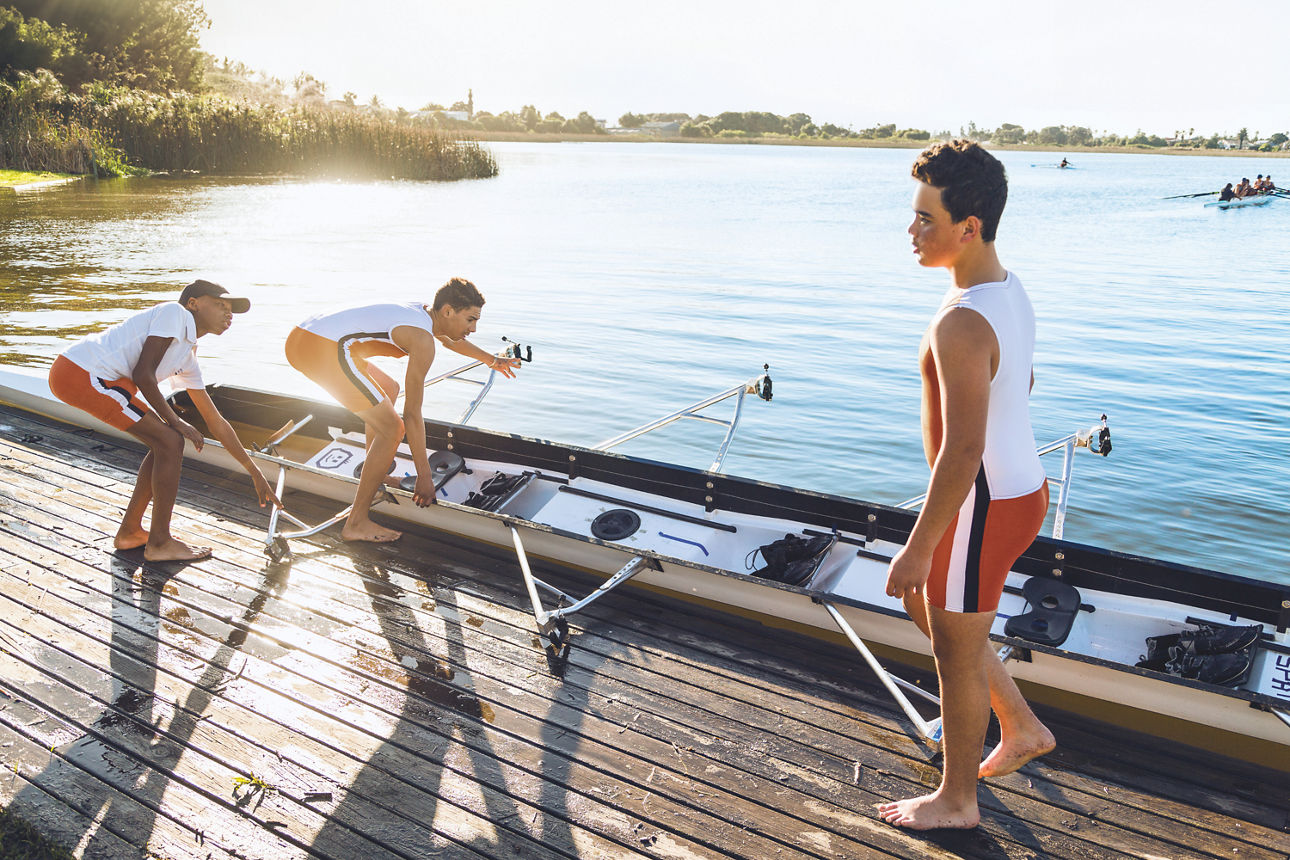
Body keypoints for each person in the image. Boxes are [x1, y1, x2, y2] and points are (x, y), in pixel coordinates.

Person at [877, 140, 1053, 831]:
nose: (912, 232)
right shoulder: (1004, 289)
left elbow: (964, 448)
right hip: (1020, 489)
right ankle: (1021, 726)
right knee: (941, 617)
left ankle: (956, 801)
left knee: (951, 644)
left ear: (968, 226)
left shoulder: (959, 321)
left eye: (926, 219)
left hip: (983, 501)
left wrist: (919, 544)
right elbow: (1022, 382)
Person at [47, 280, 280, 562]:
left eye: (231, 310)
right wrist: (176, 422)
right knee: (170, 439)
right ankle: (159, 543)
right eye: (220, 305)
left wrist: (253, 471)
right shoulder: (175, 314)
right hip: (84, 374)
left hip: (93, 377)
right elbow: (143, 374)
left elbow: (214, 419)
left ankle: (130, 532)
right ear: (193, 303)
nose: (228, 314)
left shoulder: (186, 357)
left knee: (164, 441)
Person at [284, 277, 519, 543]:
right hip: (318, 347)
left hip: (306, 337)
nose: (474, 328)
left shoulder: (424, 315)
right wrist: (424, 476)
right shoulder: (421, 338)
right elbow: (412, 414)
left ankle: (375, 476)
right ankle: (356, 523)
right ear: (448, 311)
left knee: (389, 388)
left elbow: (451, 341)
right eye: (470, 320)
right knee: (393, 428)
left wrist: (492, 360)